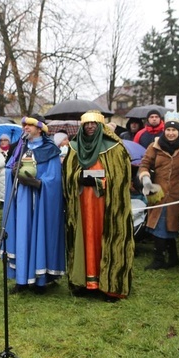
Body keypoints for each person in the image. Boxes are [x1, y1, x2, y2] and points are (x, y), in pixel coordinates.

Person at [62, 110, 134, 301]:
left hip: (106, 207)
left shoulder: (115, 148)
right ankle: (84, 282)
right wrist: (78, 177)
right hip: (81, 206)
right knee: (83, 239)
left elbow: (122, 178)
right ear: (82, 127)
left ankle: (109, 286)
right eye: (87, 124)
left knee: (105, 238)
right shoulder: (74, 147)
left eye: (94, 124)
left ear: (101, 126)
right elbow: (67, 175)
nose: (90, 127)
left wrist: (101, 182)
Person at [2, 114, 65, 294]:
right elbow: (8, 170)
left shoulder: (50, 149)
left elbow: (54, 179)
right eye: (24, 126)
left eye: (29, 125)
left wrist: (38, 183)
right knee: (22, 235)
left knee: (38, 236)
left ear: (40, 129)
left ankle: (40, 280)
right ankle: (21, 280)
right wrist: (13, 173)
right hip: (21, 201)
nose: (25, 128)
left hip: (40, 201)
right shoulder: (20, 148)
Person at [138, 111, 179, 270]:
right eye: (168, 130)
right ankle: (159, 259)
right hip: (157, 191)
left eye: (174, 130)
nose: (170, 133)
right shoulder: (154, 146)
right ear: (164, 130)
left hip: (176, 193)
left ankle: (171, 257)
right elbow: (144, 164)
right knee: (158, 225)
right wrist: (146, 178)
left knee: (170, 225)